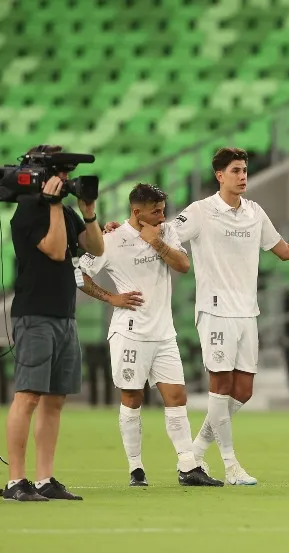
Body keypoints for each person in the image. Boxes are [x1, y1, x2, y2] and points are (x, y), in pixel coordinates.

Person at [171, 147, 289, 486]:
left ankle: (193, 455)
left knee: (243, 390)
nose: (242, 177)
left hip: (246, 312)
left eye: (245, 171)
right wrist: (127, 228)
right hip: (215, 311)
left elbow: (282, 250)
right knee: (220, 388)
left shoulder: (254, 212)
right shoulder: (200, 211)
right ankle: (230, 465)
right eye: (236, 171)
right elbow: (166, 233)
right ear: (219, 175)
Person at [79, 184, 223, 488]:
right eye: (155, 210)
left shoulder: (166, 232)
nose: (162, 215)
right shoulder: (111, 240)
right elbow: (80, 274)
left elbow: (183, 265)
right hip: (130, 333)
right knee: (132, 398)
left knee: (176, 397)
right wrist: (111, 297)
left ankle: (188, 466)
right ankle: (136, 468)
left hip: (163, 333)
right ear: (137, 211)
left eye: (162, 209)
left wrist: (156, 242)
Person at [3, 144, 105, 502]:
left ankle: (45, 478)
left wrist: (88, 213)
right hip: (35, 314)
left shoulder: (63, 209)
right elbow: (57, 249)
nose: (66, 180)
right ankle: (17, 480)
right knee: (28, 395)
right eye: (61, 173)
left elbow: (96, 248)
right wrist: (53, 205)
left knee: (55, 399)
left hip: (64, 313)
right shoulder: (29, 210)